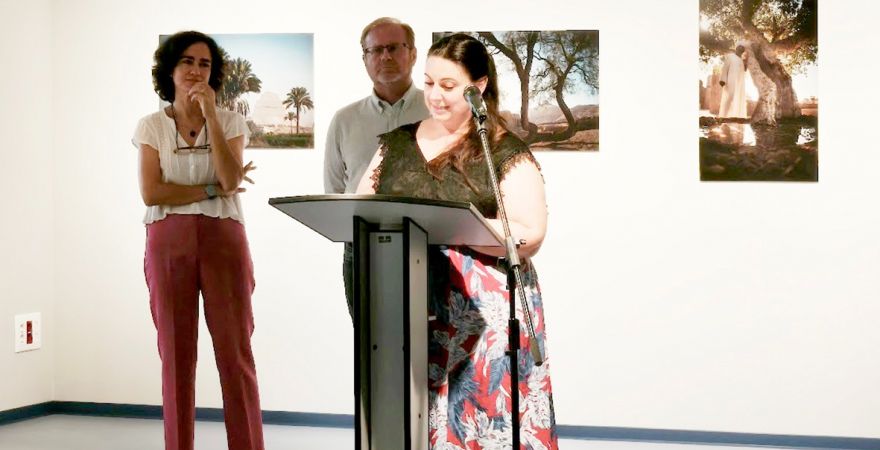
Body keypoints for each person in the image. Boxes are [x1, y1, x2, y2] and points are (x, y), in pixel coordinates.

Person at [356, 33, 558, 449]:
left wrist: (461, 228)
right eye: (429, 83)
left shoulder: (501, 148)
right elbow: (361, 209)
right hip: (407, 305)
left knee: (482, 422)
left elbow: (530, 232)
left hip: (484, 314)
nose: (435, 96)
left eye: (448, 86)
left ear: (479, 87)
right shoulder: (396, 143)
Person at [133, 30, 263, 450]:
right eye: (187, 62)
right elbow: (153, 193)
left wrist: (210, 116)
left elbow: (230, 177)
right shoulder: (151, 126)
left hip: (224, 239)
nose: (195, 70)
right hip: (167, 240)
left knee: (235, 352)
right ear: (170, 70)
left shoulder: (230, 122)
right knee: (175, 355)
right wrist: (208, 191)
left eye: (204, 64)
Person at [324, 17, 430, 317]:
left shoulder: (438, 112)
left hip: (428, 247)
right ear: (365, 58)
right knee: (368, 349)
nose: (385, 56)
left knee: (431, 348)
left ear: (412, 53)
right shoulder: (344, 120)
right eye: (376, 50)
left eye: (394, 47)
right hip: (361, 247)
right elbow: (333, 190)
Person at [718, 45, 748, 118]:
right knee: (729, 97)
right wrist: (723, 79)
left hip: (739, 83)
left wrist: (745, 63)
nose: (740, 50)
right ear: (736, 49)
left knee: (737, 99)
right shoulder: (730, 56)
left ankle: (735, 117)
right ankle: (724, 116)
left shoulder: (742, 60)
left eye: (742, 49)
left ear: (743, 51)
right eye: (739, 48)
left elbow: (744, 71)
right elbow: (725, 68)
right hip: (730, 81)